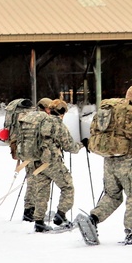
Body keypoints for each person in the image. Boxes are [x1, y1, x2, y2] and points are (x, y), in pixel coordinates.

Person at [78, 86, 132, 245]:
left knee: (112, 195)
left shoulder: (109, 112)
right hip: (128, 163)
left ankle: (93, 219)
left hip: (109, 161)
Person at [30, 98, 82, 232]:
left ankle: (39, 221)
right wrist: (82, 145)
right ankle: (61, 214)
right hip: (52, 162)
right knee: (67, 186)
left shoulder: (40, 122)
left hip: (37, 161)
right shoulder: (59, 125)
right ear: (62, 112)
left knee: (42, 191)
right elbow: (70, 147)